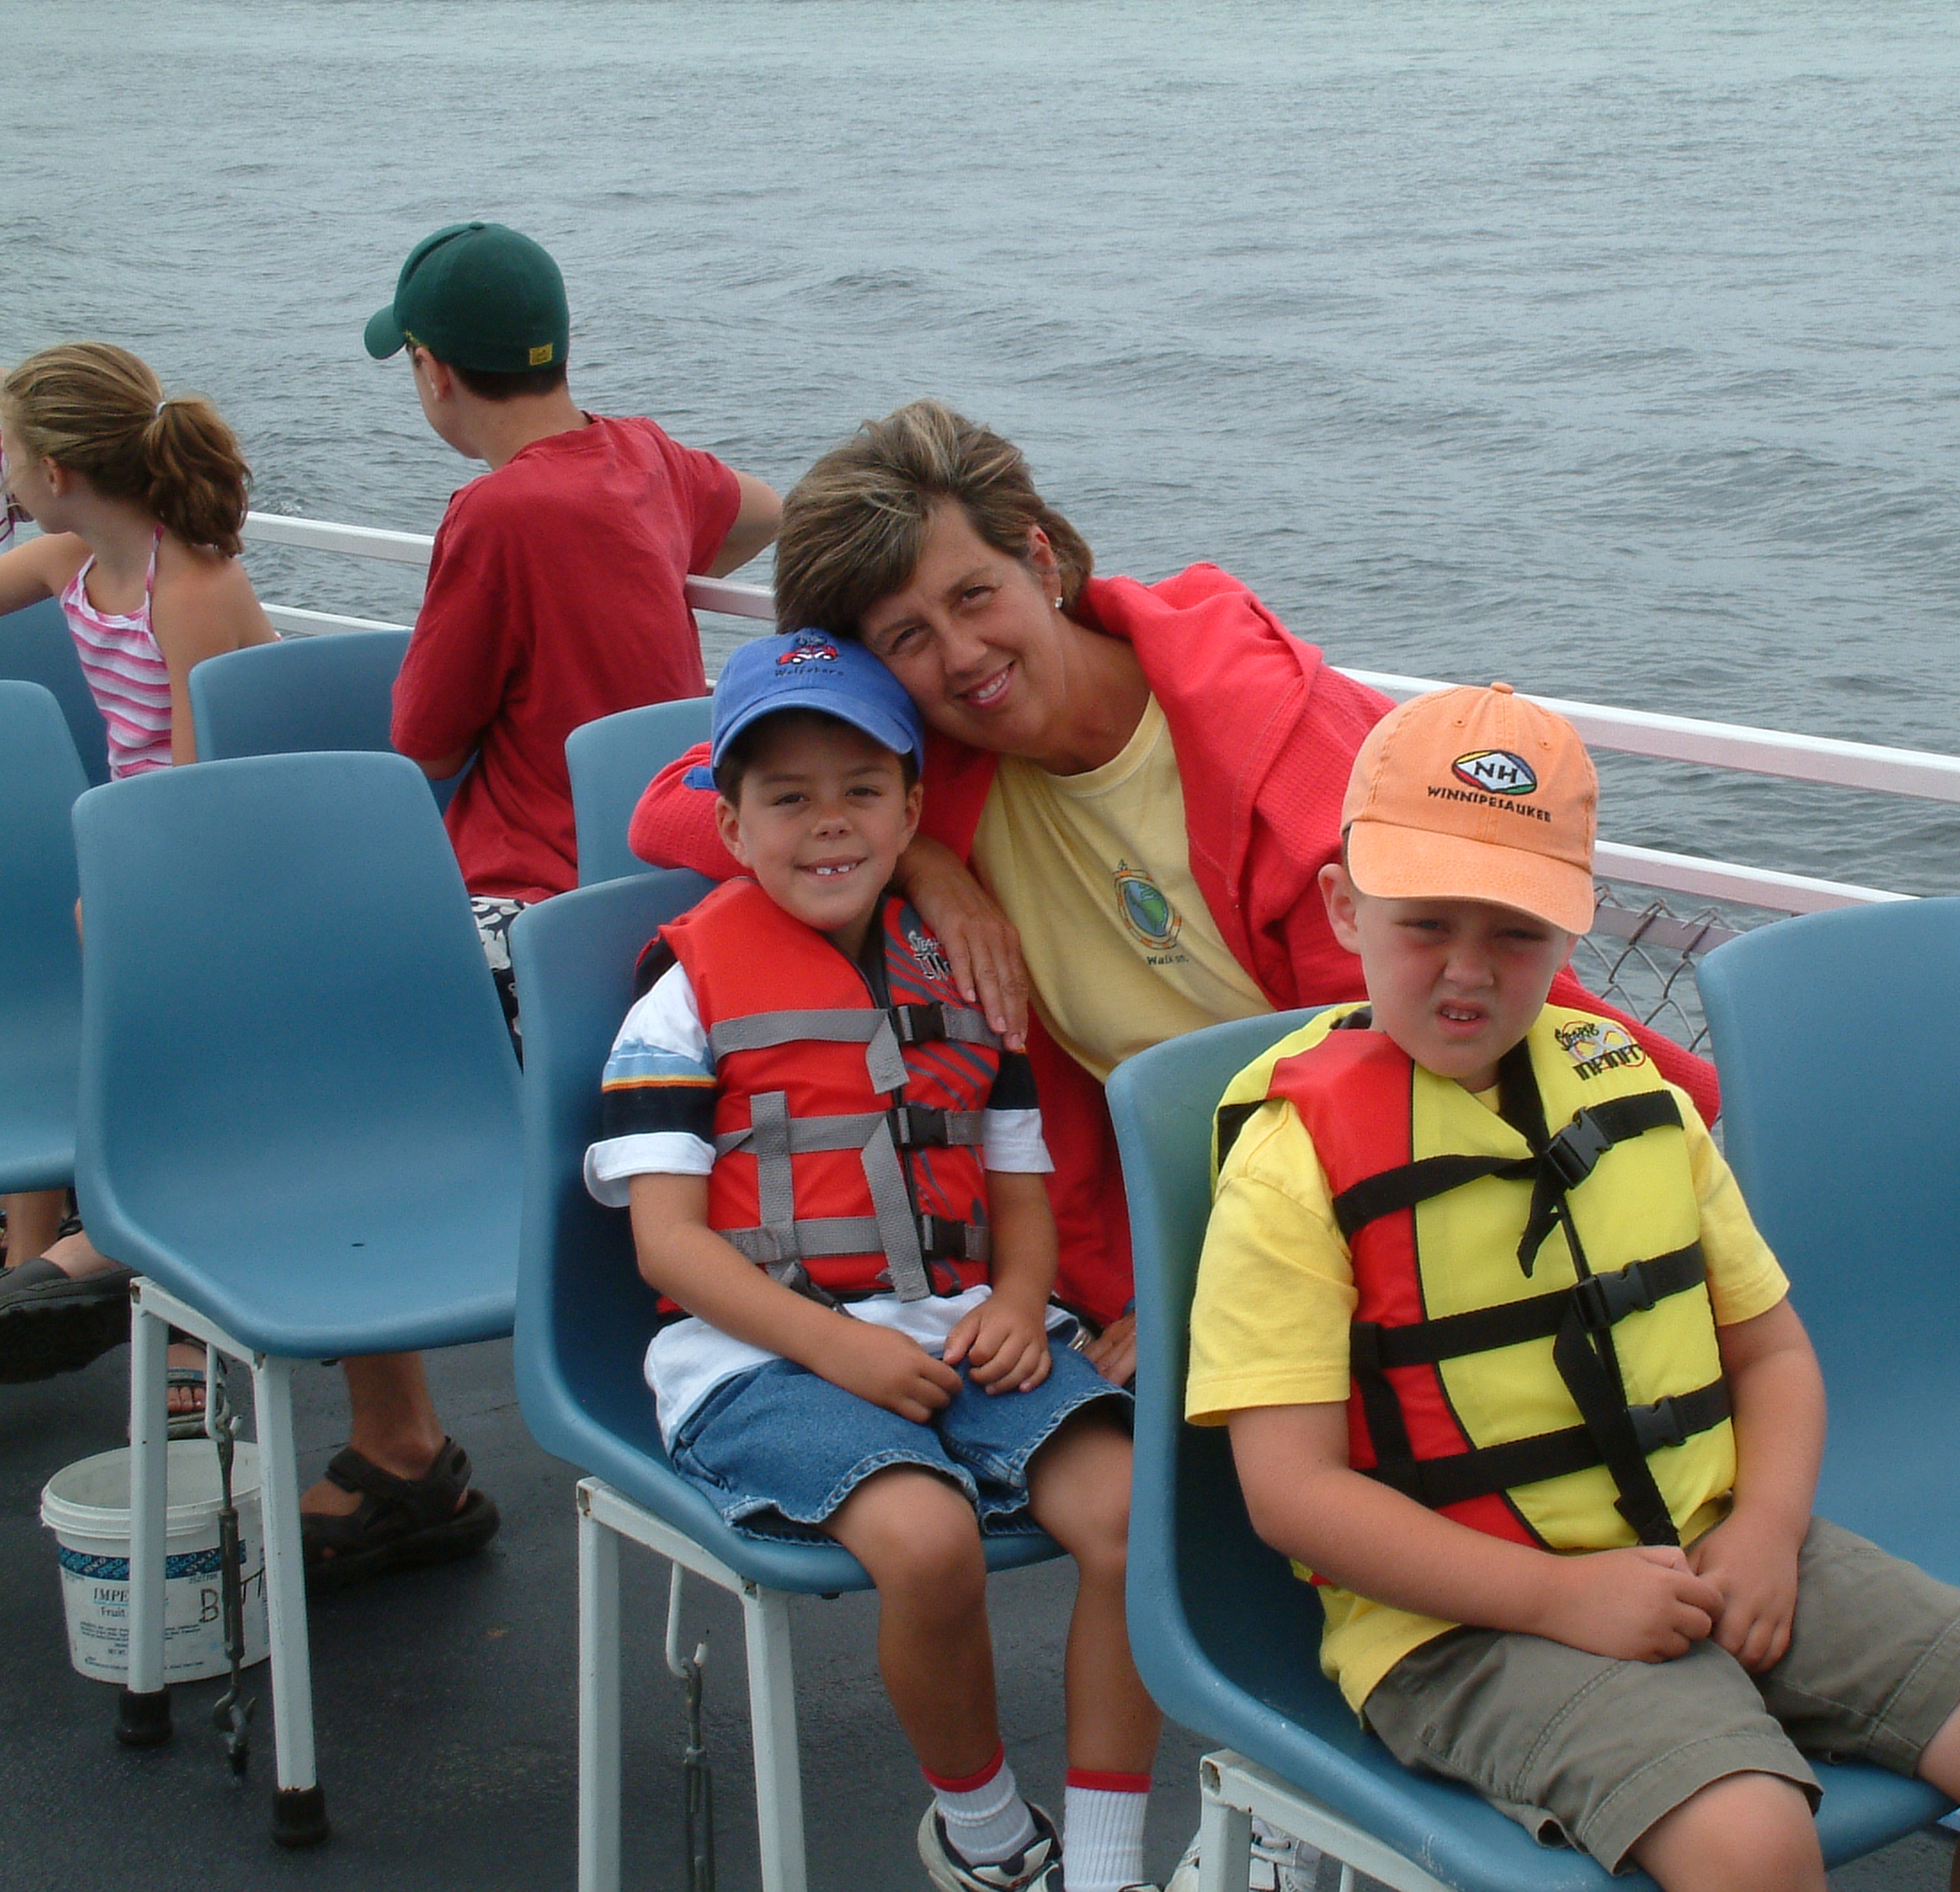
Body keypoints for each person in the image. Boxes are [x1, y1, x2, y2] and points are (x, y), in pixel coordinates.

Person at [624, 399, 1721, 1400]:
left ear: (1039, 560)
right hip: (1167, 1217)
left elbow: (1412, 1063)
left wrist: (1211, 1289)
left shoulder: (1275, 738)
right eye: (906, 638)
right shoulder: (929, 776)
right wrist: (926, 865)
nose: (960, 656)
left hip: (1440, 1172)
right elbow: (671, 804)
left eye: (974, 595)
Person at [1186, 684, 1960, 1892]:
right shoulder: (1292, 1169)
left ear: (1573, 930)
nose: (1466, 971)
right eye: (1425, 923)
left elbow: (1774, 1355)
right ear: (1345, 906)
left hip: (1717, 1543)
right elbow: (1291, 1496)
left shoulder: (1636, 1098)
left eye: (1515, 932)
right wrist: (1557, 1596)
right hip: (1466, 1623)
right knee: (1753, 1846)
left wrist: (1765, 1530)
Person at [585, 632, 1156, 1892]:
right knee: (927, 1539)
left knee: (1132, 1513)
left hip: (959, 1326)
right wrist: (837, 1347)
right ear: (729, 825)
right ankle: (989, 1839)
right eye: (788, 798)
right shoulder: (681, 997)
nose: (829, 822)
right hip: (760, 1356)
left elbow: (1019, 1186)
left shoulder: (963, 971)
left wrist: (1023, 1300)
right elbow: (667, 1242)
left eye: (860, 790)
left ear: (911, 811)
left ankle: (1108, 1867)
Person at [280, 220, 783, 1590]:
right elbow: (757, 510)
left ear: (434, 371)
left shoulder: (495, 514)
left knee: (320, 1068)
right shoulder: (645, 462)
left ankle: (399, 1449)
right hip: (654, 890)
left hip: (525, 909)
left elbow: (422, 741)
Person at [0, 341, 278, 1429]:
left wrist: (123, 892)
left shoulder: (190, 588)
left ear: (56, 469)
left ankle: (167, 1303)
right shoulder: (72, 561)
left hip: (235, 874)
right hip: (141, 859)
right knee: (85, 1005)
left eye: (7, 455)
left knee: (158, 1069)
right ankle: (30, 1273)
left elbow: (204, 799)